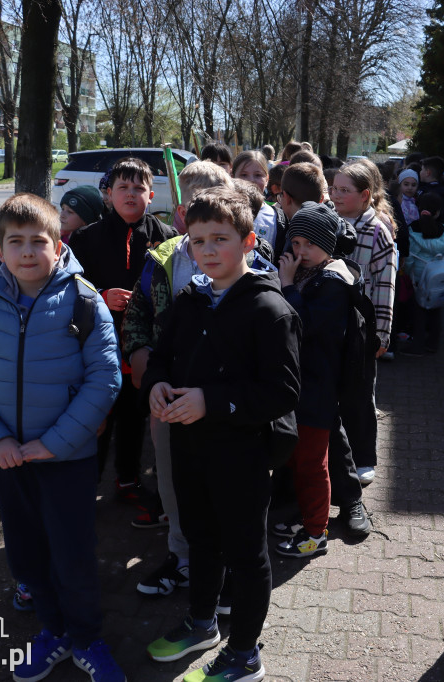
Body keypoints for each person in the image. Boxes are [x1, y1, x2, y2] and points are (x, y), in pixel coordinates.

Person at [0, 193, 125, 682]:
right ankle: (54, 630)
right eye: (15, 242)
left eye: (37, 241)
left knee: (72, 554)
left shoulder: (84, 301)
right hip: (10, 461)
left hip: (66, 460)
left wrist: (55, 443)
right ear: (1, 249)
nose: (27, 252)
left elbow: (104, 379)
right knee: (27, 554)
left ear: (57, 244)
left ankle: (88, 638)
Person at [142, 186, 301, 682]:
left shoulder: (270, 310)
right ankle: (202, 621)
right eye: (197, 240)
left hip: (242, 454)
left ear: (249, 241)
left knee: (245, 553)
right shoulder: (190, 301)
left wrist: (212, 400)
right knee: (200, 538)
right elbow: (163, 355)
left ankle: (244, 652)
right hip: (190, 448)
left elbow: (282, 392)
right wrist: (157, 383)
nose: (208, 250)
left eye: (220, 239)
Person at [122, 160, 233, 599]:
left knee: (224, 482)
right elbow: (138, 312)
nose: (201, 216)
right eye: (192, 207)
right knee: (171, 478)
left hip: (224, 399)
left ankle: (225, 564)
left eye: (218, 206)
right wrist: (140, 354)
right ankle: (183, 556)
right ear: (181, 211)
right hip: (168, 393)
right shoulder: (162, 259)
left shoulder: (252, 254)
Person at [68, 157, 177, 527]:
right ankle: (83, 487)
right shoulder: (86, 237)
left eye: (138, 188)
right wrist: (101, 295)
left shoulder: (166, 239)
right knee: (97, 415)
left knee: (133, 414)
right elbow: (70, 288)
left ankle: (128, 479)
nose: (130, 195)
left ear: (150, 193)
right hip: (97, 341)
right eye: (122, 188)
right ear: (109, 193)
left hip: (143, 344)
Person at [274, 204, 360, 558]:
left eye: (311, 244)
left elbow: (302, 326)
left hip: (317, 388)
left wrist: (287, 286)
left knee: (312, 463)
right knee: (299, 459)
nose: (301, 251)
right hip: (302, 386)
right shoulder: (314, 274)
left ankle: (315, 533)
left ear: (328, 245)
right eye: (296, 242)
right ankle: (308, 516)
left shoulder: (333, 283)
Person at [330, 160, 397, 485]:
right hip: (330, 324)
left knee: (360, 396)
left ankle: (363, 457)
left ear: (365, 194)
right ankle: (336, 455)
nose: (336, 195)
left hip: (362, 328)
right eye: (334, 188)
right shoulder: (328, 222)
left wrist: (381, 333)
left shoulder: (377, 230)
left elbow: (386, 284)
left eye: (344, 190)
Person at [401, 192, 444, 356]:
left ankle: (417, 346)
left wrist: (409, 274)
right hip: (439, 276)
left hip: (419, 278)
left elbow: (409, 258)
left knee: (419, 312)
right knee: (436, 309)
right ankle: (433, 344)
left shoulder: (413, 230)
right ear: (438, 212)